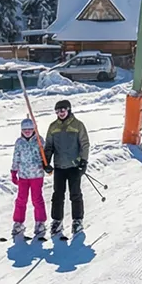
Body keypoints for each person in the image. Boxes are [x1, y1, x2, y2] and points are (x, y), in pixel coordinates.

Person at [45, 100, 90, 237]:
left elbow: (84, 144)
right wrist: (46, 162)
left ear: (68, 110)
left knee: (75, 194)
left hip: (74, 166)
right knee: (57, 195)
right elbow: (49, 146)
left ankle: (77, 220)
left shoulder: (78, 125)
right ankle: (57, 221)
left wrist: (83, 161)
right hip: (59, 166)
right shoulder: (53, 127)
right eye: (57, 111)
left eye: (63, 110)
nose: (60, 113)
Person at [9, 116, 49, 241]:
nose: (27, 131)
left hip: (37, 175)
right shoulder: (19, 142)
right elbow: (16, 157)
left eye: (30, 129)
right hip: (23, 176)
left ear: (34, 129)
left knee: (37, 199)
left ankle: (40, 223)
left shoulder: (39, 141)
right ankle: (18, 223)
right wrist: (14, 171)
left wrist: (46, 164)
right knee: (21, 200)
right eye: (25, 129)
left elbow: (46, 155)